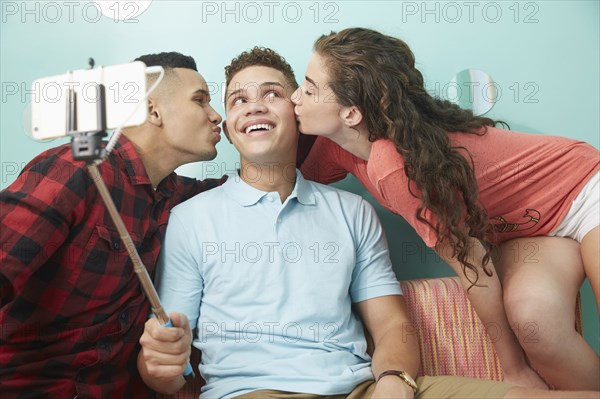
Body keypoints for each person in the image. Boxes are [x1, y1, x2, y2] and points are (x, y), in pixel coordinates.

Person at [137, 47, 600, 399]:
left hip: (365, 388)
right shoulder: (192, 218)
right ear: (228, 123)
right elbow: (167, 355)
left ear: (298, 114)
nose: (254, 106)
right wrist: (157, 365)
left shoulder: (352, 207)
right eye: (237, 100)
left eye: (274, 94)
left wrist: (395, 378)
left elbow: (392, 325)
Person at [292, 27, 600, 390]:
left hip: (585, 189)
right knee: (538, 322)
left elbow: (471, 263)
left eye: (309, 89)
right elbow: (284, 178)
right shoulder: (334, 147)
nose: (296, 96)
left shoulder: (394, 165)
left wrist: (512, 369)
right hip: (531, 229)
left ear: (351, 114)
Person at [0, 52, 226, 398]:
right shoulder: (74, 171)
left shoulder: (178, 196)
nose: (216, 116)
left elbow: (255, 185)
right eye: (200, 101)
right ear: (153, 110)